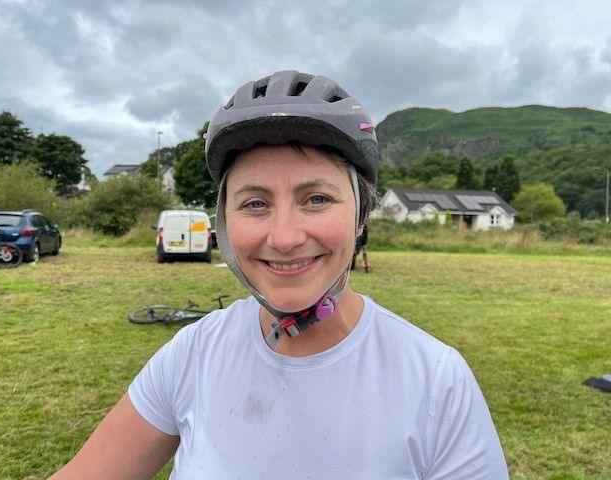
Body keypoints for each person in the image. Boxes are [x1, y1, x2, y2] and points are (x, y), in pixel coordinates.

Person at [50, 71, 508, 479]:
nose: (285, 237)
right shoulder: (192, 355)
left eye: (316, 199)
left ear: (361, 215)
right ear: (224, 224)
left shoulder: (436, 381)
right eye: (254, 204)